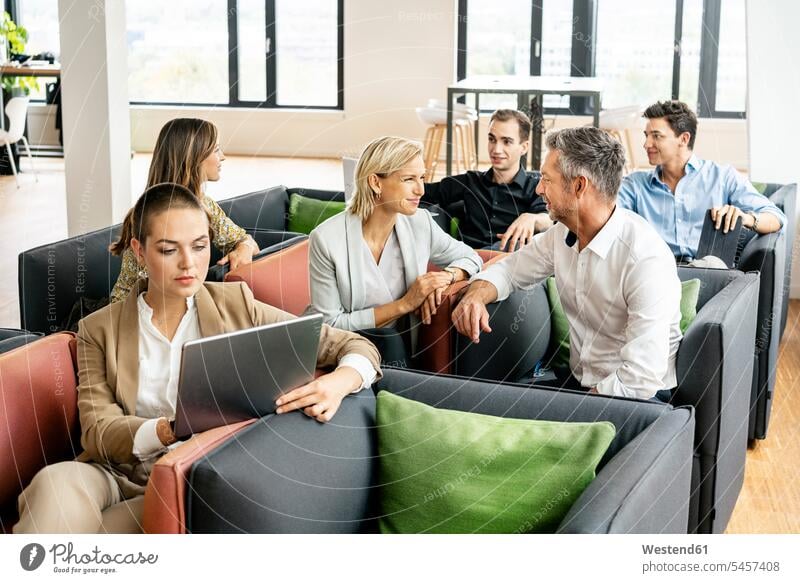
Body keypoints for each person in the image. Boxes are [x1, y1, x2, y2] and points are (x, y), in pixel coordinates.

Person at [14, 183, 381, 534]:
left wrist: (339, 382)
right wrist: (168, 429)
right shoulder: (99, 329)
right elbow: (98, 432)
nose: (189, 263)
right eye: (169, 250)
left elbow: (356, 347)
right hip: (110, 471)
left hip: (183, 478)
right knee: (54, 483)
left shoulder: (238, 306)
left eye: (200, 245)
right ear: (139, 251)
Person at [452, 127, 682, 401]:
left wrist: (571, 411)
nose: (538, 189)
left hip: (636, 397)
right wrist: (475, 296)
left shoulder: (645, 258)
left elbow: (641, 377)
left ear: (579, 186)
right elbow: (511, 270)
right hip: (580, 381)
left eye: (547, 180)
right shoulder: (561, 234)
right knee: (493, 405)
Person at [309, 136, 482, 364]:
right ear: (375, 182)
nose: (420, 190)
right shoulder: (326, 239)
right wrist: (405, 304)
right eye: (408, 179)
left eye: (422, 177)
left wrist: (446, 277)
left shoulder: (421, 223)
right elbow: (330, 325)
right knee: (388, 340)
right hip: (348, 350)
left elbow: (471, 257)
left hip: (404, 353)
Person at [109, 118, 260, 302]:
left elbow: (246, 240)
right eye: (216, 149)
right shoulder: (151, 216)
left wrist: (244, 248)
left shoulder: (205, 206)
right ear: (194, 157)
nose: (222, 157)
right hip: (133, 315)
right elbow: (142, 297)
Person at [617, 100, 784, 261]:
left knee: (711, 263)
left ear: (684, 139)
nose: (646, 144)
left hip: (709, 272)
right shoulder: (635, 185)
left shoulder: (722, 177)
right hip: (656, 271)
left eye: (656, 136)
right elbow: (606, 215)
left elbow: (777, 218)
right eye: (646, 136)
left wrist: (745, 218)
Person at [424, 109, 552, 251]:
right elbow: (422, 192)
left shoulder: (535, 186)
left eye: (506, 142)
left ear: (524, 147)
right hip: (464, 259)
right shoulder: (470, 181)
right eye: (492, 139)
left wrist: (532, 218)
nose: (496, 149)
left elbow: (549, 219)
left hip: (506, 263)